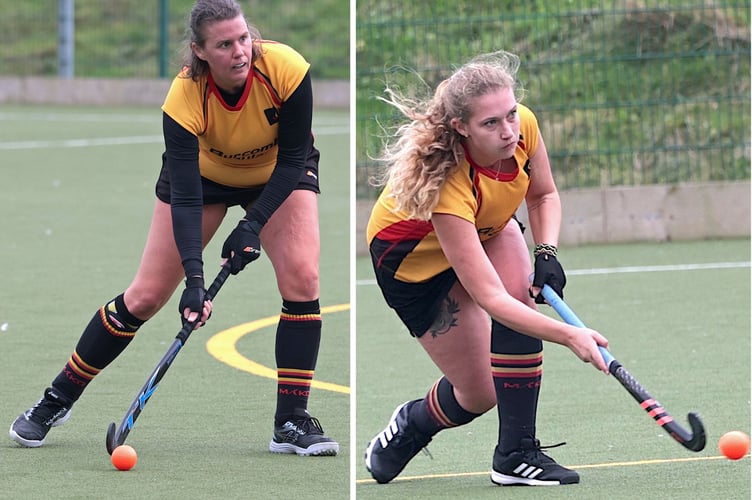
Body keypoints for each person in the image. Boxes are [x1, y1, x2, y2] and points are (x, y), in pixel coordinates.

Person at [9, 0, 338, 457]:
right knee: (145, 296)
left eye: (243, 38)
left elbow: (293, 158)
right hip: (202, 179)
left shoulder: (285, 68)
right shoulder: (184, 98)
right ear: (200, 51)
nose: (240, 51)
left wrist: (252, 225)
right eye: (224, 44)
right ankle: (56, 399)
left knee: (303, 277)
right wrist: (195, 281)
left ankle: (291, 421)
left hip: (279, 172)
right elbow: (185, 197)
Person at [364, 50, 609, 486]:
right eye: (491, 124)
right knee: (479, 393)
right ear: (461, 127)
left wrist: (547, 252)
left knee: (521, 296)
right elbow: (490, 299)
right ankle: (414, 424)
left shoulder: (522, 128)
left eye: (511, 115)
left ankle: (515, 453)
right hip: (410, 261)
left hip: (487, 226)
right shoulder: (447, 182)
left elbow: (543, 195)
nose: (509, 131)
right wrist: (571, 335)